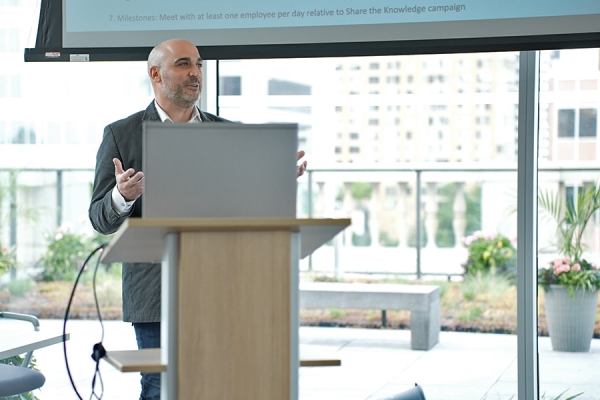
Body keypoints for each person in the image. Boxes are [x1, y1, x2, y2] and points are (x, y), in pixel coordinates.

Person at [88, 38, 307, 400]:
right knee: (161, 385)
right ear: (156, 74)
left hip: (223, 287)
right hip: (154, 291)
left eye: (200, 65)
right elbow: (100, 218)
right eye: (185, 64)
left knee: (219, 385)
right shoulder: (121, 134)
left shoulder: (229, 133)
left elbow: (245, 208)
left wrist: (271, 182)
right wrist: (121, 196)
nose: (196, 74)